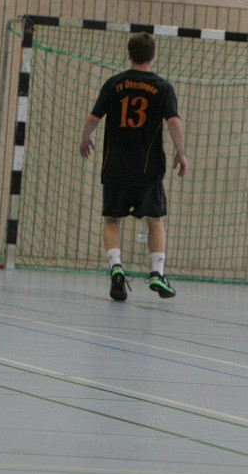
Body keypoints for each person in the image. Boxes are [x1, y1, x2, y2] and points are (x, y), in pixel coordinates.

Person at [79, 32, 188, 302]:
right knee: (155, 219)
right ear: (153, 55)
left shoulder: (114, 83)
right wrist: (181, 153)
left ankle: (116, 267)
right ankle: (157, 272)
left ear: (129, 53)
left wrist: (85, 137)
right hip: (147, 168)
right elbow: (173, 122)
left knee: (112, 220)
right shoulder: (162, 87)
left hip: (115, 166)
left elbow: (94, 117)